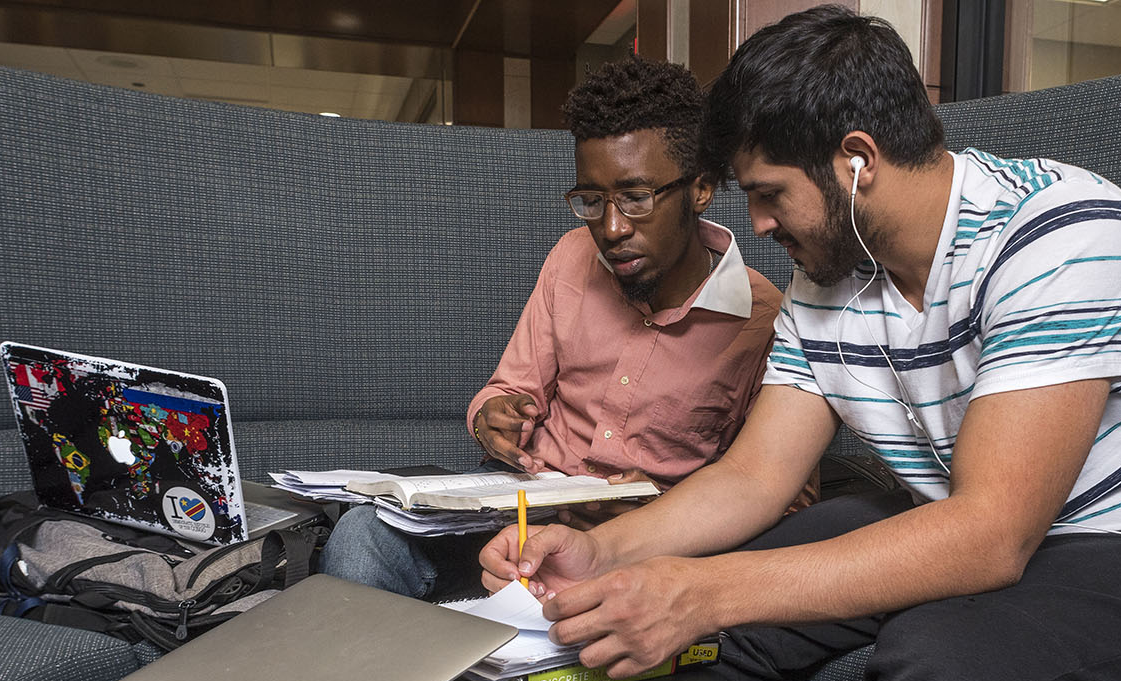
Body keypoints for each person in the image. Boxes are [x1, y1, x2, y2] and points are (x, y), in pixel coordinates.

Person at [479, 7, 1121, 681]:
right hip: (975, 517)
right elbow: (755, 475)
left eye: (770, 195)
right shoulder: (828, 280)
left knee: (941, 659)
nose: (758, 227)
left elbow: (990, 533)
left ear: (857, 160)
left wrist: (700, 591)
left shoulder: (1063, 236)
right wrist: (607, 553)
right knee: (737, 602)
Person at [321, 57, 790, 599]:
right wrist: (492, 420)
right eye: (591, 200)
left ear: (701, 188)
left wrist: (657, 512)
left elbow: (783, 495)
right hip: (517, 522)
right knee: (362, 536)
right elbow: (508, 392)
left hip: (642, 552)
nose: (610, 228)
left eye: (636, 198)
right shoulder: (571, 258)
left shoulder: (764, 321)